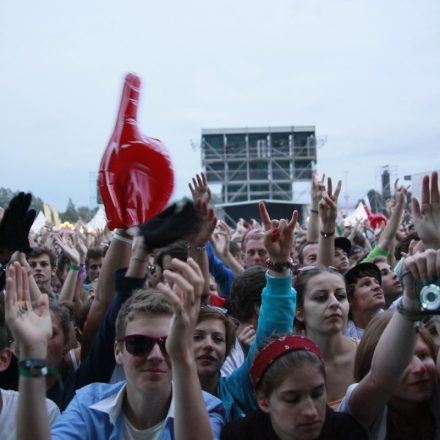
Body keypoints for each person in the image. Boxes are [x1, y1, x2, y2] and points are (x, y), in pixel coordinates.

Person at [5, 258, 225, 439]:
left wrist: (182, 355)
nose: (156, 356)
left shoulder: (207, 409)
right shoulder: (89, 404)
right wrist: (33, 353)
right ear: (118, 351)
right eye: (139, 344)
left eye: (167, 344)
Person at [194, 201, 298, 421]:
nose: (208, 345)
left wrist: (279, 263)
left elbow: (271, 336)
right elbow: (198, 293)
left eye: (218, 339)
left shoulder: (237, 389)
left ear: (228, 349)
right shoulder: (158, 392)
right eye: (197, 336)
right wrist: (198, 245)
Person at [339, 249, 440, 440]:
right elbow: (381, 378)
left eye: (424, 356)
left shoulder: (435, 402)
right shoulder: (365, 411)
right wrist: (411, 302)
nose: (419, 369)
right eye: (403, 362)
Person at [221, 334, 367, 439]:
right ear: (263, 401)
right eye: (293, 399)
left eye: (317, 394)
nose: (311, 412)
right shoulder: (238, 435)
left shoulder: (347, 432)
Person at [295, 266, 358, 408]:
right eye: (321, 298)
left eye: (341, 296)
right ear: (300, 312)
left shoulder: (367, 354)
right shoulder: (289, 365)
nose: (335, 303)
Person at [343, 262, 385, 339]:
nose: (377, 286)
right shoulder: (340, 333)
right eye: (366, 284)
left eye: (377, 282)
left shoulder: (393, 322)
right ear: (350, 299)